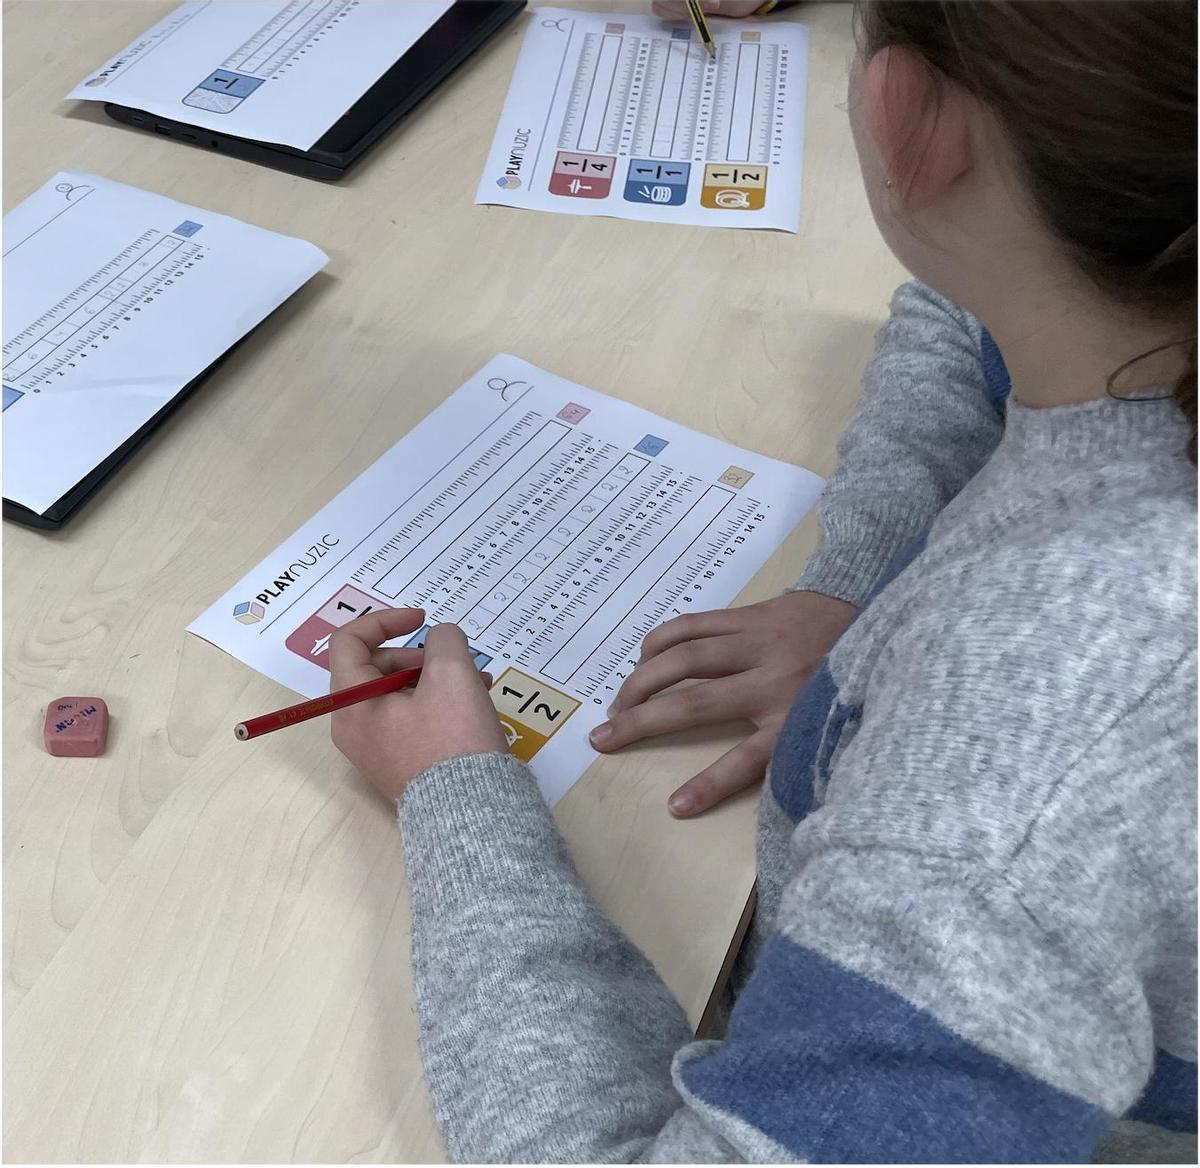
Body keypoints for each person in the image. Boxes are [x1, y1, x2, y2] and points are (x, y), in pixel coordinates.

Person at [329, 1, 1197, 1160]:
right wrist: (864, 592)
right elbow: (975, 307)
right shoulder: (1128, 272)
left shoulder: (1023, 786)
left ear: (903, 115)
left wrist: (455, 795)